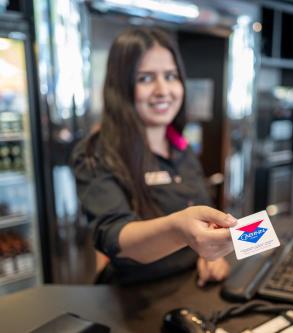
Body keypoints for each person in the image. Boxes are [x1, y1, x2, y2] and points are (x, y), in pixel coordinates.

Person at [72, 27, 234, 286]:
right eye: (145, 79)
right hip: (132, 300)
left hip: (192, 287)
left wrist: (211, 256)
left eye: (171, 76)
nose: (163, 90)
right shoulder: (96, 153)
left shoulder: (181, 147)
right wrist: (179, 229)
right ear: (121, 87)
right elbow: (114, 236)